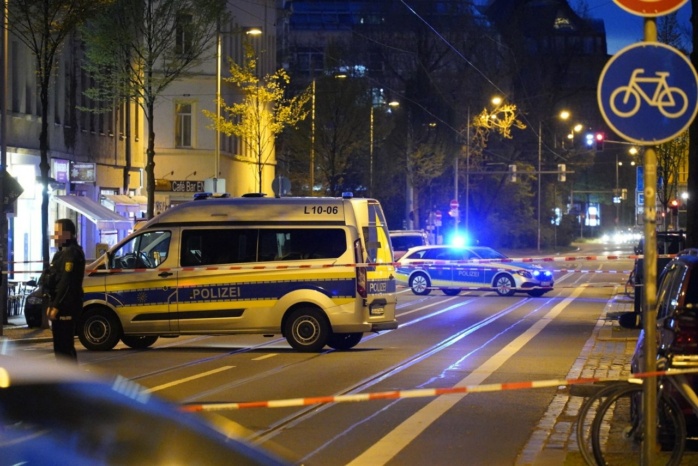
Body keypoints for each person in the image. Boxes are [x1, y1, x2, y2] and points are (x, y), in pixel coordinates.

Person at [42, 218, 85, 361]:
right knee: (59, 348)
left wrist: (56, 306)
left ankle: (71, 381)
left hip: (67, 307)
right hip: (59, 306)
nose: (54, 236)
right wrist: (50, 304)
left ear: (68, 234)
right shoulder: (60, 254)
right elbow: (54, 280)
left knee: (65, 348)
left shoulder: (72, 253)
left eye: (57, 233)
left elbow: (67, 283)